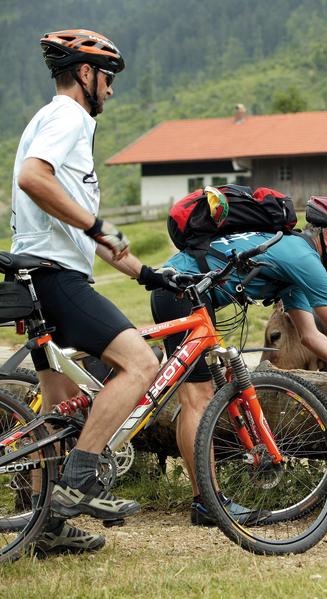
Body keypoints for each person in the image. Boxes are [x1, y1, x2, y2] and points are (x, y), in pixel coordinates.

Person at [149, 195, 327, 525]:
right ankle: (207, 503)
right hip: (181, 291)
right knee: (197, 399)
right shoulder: (302, 257)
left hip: (185, 290)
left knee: (197, 396)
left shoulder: (291, 261)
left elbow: (313, 337)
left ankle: (206, 501)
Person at [11, 29, 179, 554]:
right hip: (55, 275)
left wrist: (144, 271)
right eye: (107, 78)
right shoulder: (69, 118)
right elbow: (31, 178)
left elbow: (90, 227)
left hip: (40, 273)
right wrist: (92, 226)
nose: (110, 90)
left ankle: (45, 529)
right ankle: (81, 480)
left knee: (56, 417)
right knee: (140, 363)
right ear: (85, 74)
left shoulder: (51, 120)